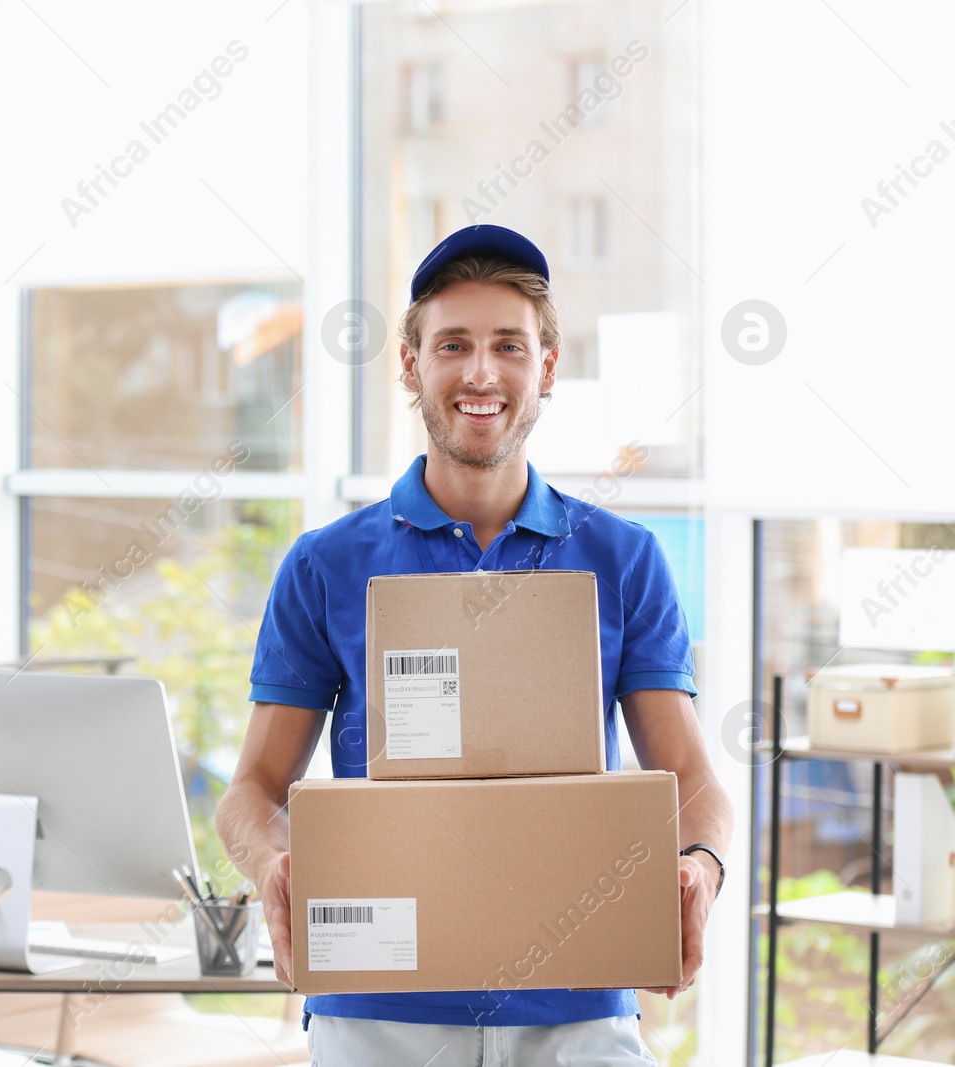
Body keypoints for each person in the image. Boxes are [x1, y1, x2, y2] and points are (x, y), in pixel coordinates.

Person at [215, 224, 734, 1065]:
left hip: (577, 1007)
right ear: (412, 364)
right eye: (453, 344)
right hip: (380, 1012)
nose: (481, 372)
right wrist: (273, 858)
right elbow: (253, 787)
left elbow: (694, 778)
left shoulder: (623, 558)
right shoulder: (325, 565)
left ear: (549, 369)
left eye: (509, 346)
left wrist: (700, 866)